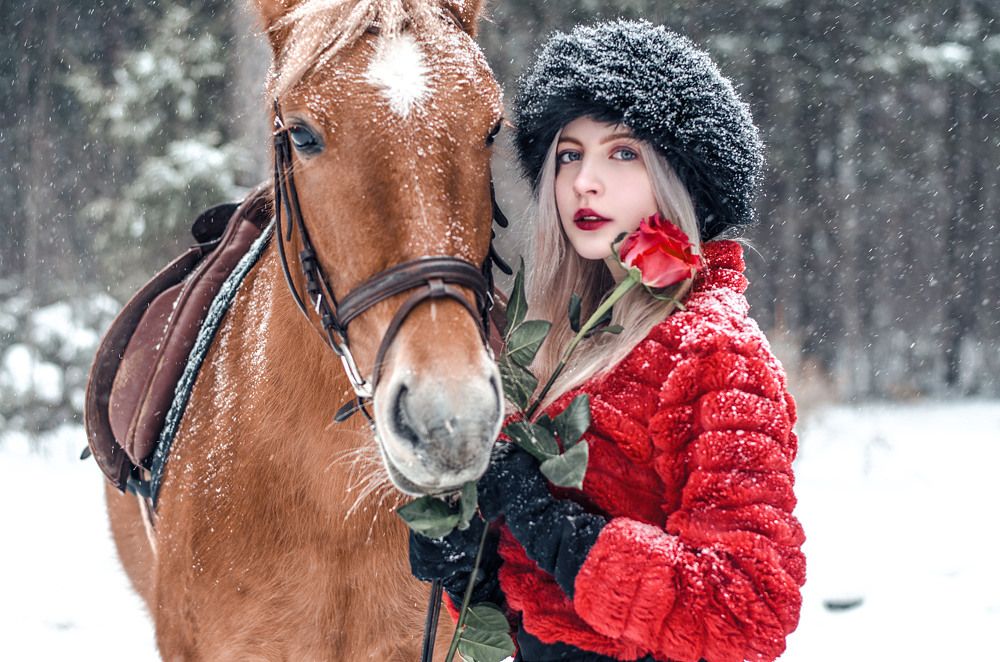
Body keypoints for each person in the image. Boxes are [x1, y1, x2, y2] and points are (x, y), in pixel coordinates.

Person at [410, 19, 805, 662]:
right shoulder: (557, 349)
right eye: (569, 155)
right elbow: (551, 620)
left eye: (622, 152)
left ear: (679, 179)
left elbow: (746, 611)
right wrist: (471, 569)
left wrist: (554, 528)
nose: (583, 182)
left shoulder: (716, 353)